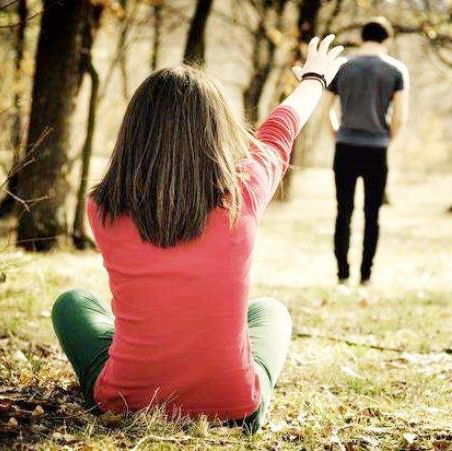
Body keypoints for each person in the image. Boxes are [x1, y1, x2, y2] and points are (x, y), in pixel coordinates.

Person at [51, 35, 346, 434]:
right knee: (270, 311)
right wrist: (314, 78)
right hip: (235, 407)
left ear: (134, 131)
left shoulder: (102, 207)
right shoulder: (243, 193)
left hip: (126, 400)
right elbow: (280, 131)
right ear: (216, 131)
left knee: (72, 303)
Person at [320, 17, 409, 285]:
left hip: (345, 147)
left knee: (343, 211)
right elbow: (400, 117)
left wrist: (336, 134)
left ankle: (342, 273)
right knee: (372, 214)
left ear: (361, 38)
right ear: (387, 40)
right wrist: (386, 139)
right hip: (376, 150)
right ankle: (366, 275)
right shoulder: (396, 70)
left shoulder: (342, 67)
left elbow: (325, 110)